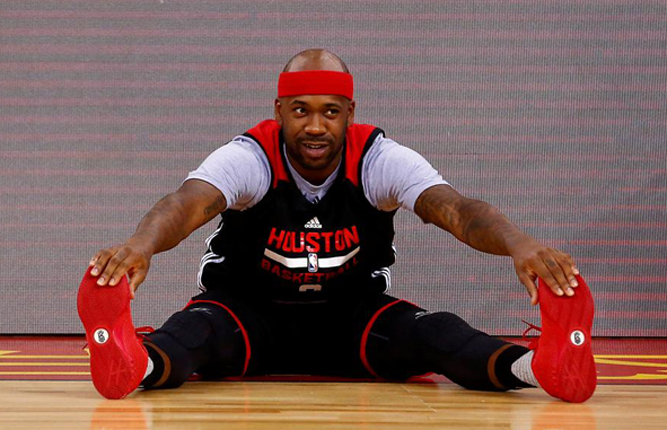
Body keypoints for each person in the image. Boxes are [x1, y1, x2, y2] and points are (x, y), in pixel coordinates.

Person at [77, 49, 596, 402]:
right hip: (247, 314)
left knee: (436, 332)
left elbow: (457, 211)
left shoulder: (379, 160)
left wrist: (519, 244)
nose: (315, 126)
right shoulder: (250, 158)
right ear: (279, 111)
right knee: (194, 331)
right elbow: (187, 204)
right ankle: (133, 365)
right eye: (300, 111)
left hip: (352, 318)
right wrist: (141, 245)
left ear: (350, 112)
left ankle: (541, 369)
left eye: (330, 112)